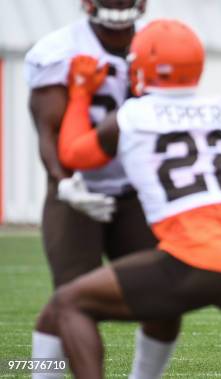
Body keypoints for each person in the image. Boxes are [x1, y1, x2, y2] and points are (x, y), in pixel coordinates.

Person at [44, 19, 221, 379]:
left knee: (68, 302)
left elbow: (72, 154)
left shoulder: (135, 115)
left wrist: (80, 92)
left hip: (190, 256)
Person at [24, 1, 180, 378]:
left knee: (164, 299)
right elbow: (49, 132)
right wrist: (65, 184)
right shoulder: (58, 51)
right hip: (78, 192)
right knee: (73, 299)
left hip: (138, 192)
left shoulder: (158, 44)